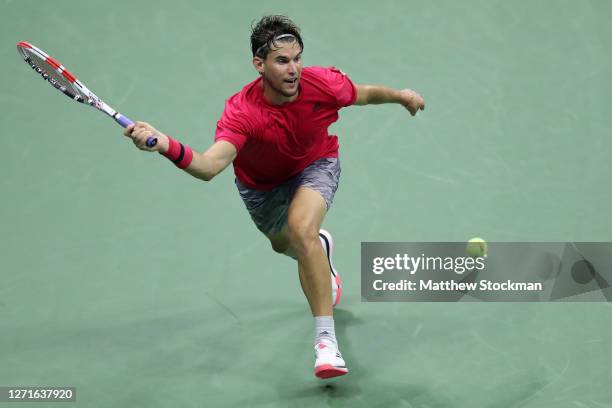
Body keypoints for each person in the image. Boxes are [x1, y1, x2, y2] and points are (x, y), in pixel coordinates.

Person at [124, 15, 425, 379]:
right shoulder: (242, 112)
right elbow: (207, 166)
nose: (294, 69)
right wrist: (164, 145)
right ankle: (319, 253)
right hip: (261, 188)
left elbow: (361, 93)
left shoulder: (323, 84)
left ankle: (326, 344)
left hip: (316, 164)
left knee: (301, 230)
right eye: (282, 61)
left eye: (297, 58)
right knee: (289, 245)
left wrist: (400, 96)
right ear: (259, 65)